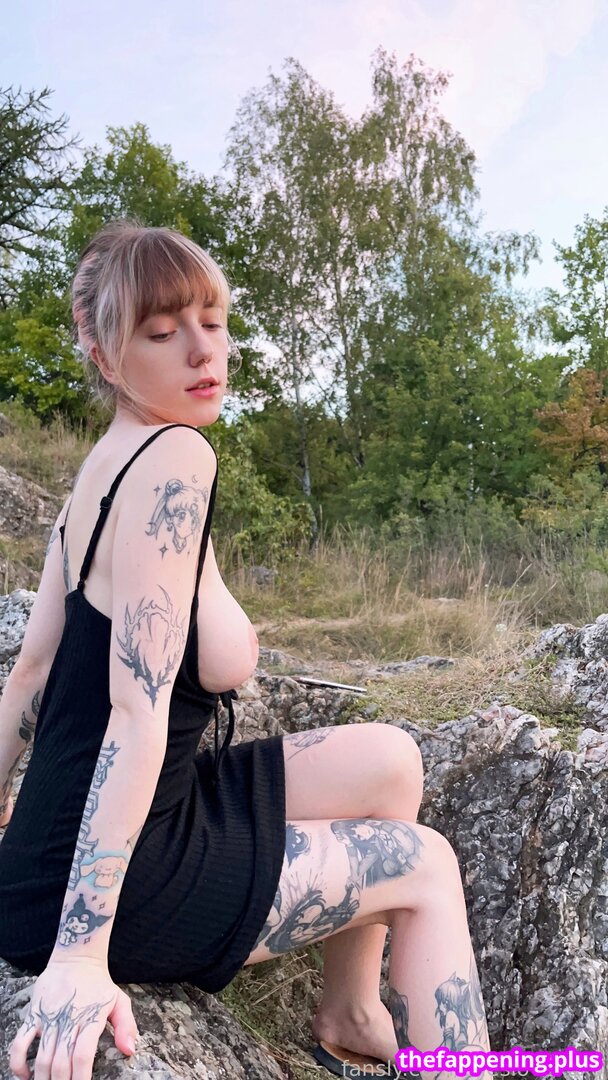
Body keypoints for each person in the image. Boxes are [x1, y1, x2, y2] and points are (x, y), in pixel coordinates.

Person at [0, 220, 494, 1080]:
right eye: (163, 332)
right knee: (426, 866)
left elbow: (31, 674)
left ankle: (352, 1010)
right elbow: (134, 711)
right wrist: (79, 954)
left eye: (213, 321)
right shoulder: (176, 459)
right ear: (104, 354)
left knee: (390, 762)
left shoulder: (107, 467)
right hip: (118, 880)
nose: (204, 351)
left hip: (56, 857)